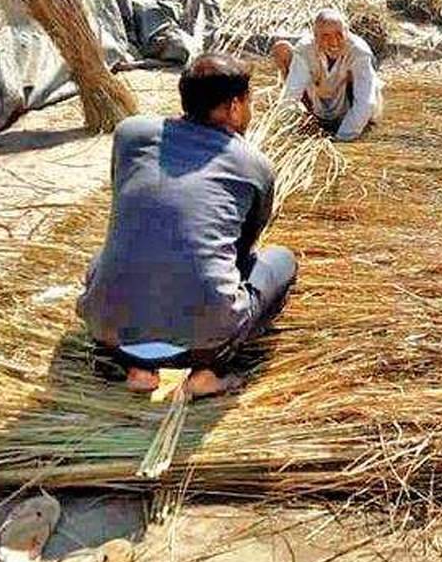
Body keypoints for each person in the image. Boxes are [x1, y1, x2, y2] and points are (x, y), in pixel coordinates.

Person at [77, 53, 297, 397]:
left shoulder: (130, 133)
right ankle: (208, 374)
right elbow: (242, 252)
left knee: (103, 261)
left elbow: (124, 201)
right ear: (235, 106)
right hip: (205, 342)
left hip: (111, 333)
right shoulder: (255, 165)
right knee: (281, 260)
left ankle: (139, 369)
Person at [271, 8, 383, 142]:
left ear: (347, 32)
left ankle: (353, 126)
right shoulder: (305, 49)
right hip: (318, 106)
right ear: (315, 37)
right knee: (282, 49)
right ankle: (314, 121)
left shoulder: (359, 51)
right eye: (326, 36)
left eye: (339, 35)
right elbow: (291, 94)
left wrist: (343, 138)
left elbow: (365, 101)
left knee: (369, 97)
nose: (334, 42)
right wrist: (285, 131)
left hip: (348, 109)